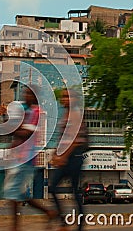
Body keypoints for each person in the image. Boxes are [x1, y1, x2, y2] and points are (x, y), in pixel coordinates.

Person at [3, 85, 56, 231]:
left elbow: (25, 133)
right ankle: (48, 212)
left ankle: (15, 226)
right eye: (25, 93)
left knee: (13, 193)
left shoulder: (36, 113)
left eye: (29, 94)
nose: (26, 96)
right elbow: (14, 129)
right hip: (17, 156)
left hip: (25, 157)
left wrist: (12, 128)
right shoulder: (24, 111)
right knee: (17, 194)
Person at [49, 88, 89, 231]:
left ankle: (79, 225)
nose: (64, 99)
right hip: (66, 156)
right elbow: (62, 138)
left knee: (74, 191)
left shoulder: (76, 114)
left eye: (67, 96)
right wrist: (55, 154)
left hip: (74, 157)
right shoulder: (65, 114)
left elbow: (75, 140)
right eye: (63, 96)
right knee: (53, 187)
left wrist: (63, 157)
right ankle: (63, 222)